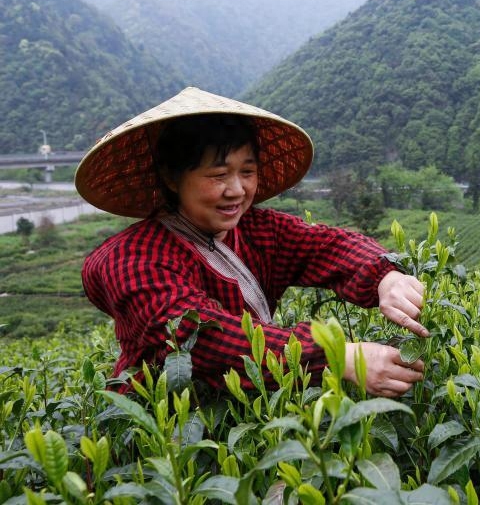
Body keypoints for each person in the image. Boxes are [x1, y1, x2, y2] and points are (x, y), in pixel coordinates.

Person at [76, 87, 428, 398]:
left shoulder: (258, 230)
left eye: (247, 172)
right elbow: (204, 340)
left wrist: (386, 277)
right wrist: (338, 354)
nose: (238, 190)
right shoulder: (132, 260)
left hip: (248, 411)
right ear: (171, 177)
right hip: (162, 439)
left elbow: (325, 245)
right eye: (217, 175)